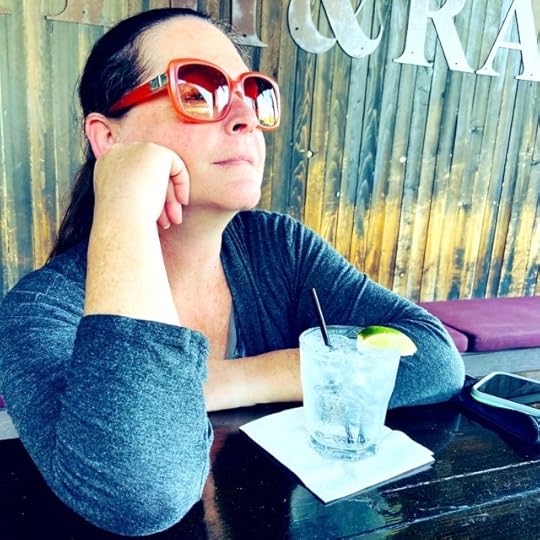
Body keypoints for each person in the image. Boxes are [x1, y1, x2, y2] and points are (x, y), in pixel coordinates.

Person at [0, 7, 464, 537]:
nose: (245, 116)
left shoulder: (278, 248)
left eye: (253, 92)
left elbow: (433, 358)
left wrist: (221, 380)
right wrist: (123, 204)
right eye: (198, 91)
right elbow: (140, 492)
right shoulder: (41, 311)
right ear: (108, 138)